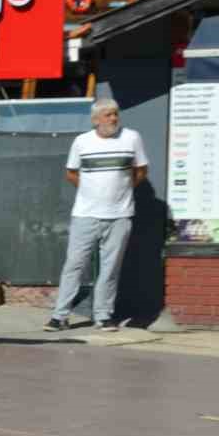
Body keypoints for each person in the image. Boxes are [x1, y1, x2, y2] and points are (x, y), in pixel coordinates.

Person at [45, 98, 149, 333]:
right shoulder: (82, 142)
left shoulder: (132, 138)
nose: (113, 118)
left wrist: (123, 191)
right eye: (107, 114)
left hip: (120, 216)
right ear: (95, 119)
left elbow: (141, 171)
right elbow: (71, 173)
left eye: (115, 114)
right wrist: (92, 191)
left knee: (110, 268)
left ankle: (103, 316)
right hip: (85, 215)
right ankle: (59, 316)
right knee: (74, 265)